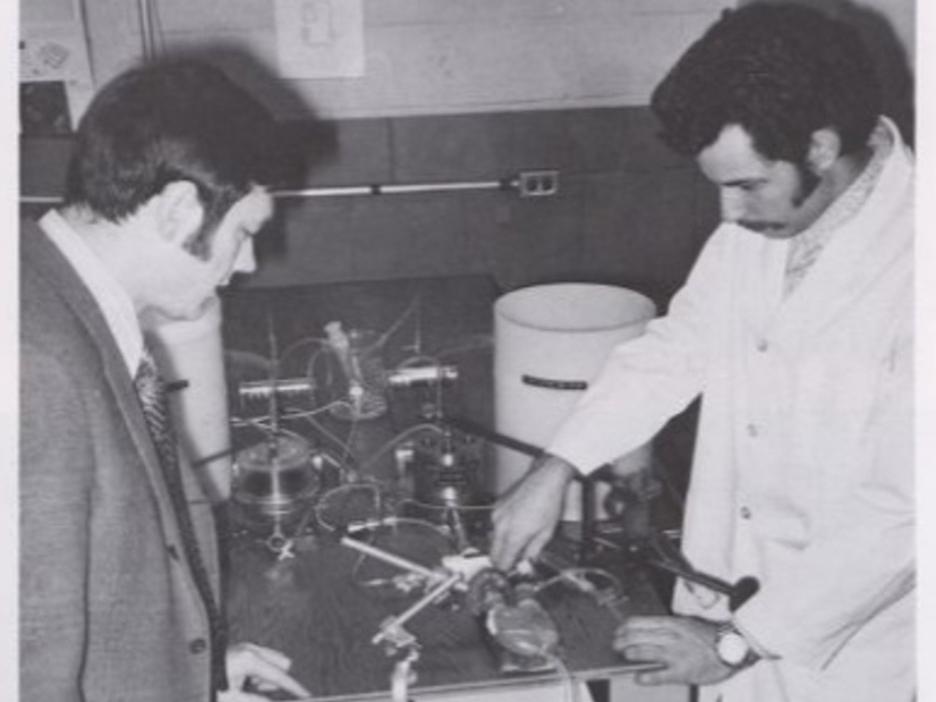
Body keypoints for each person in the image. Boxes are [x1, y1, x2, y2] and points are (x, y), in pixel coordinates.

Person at [490, 4, 914, 701]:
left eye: (747, 185)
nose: (730, 214)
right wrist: (558, 464)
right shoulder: (770, 223)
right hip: (727, 601)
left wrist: (737, 642)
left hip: (847, 653)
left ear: (819, 147)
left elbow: (904, 515)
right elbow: (679, 347)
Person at [20, 60, 311, 701]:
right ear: (179, 209)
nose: (247, 262)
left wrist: (185, 676)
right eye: (244, 232)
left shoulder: (53, 293)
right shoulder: (34, 368)